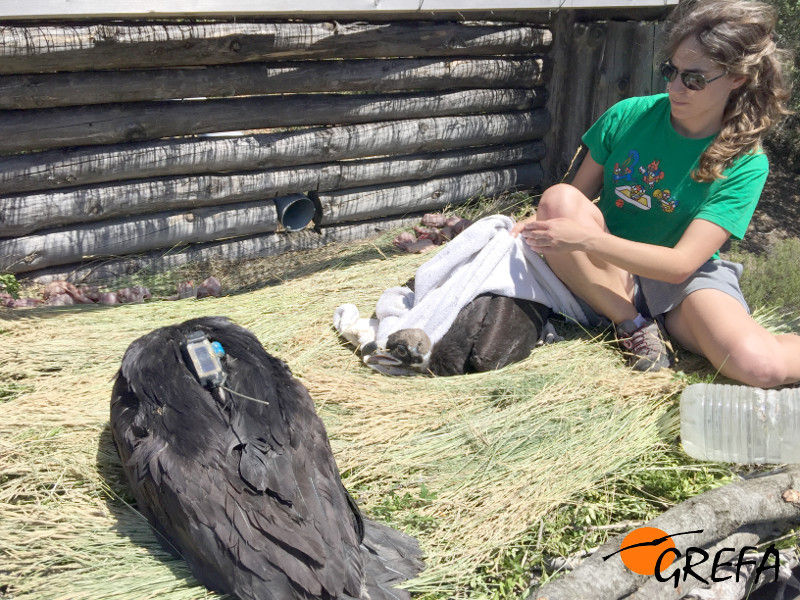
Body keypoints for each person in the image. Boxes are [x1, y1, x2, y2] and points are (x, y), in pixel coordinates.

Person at [511, 0, 798, 387]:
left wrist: (585, 239)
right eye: (671, 71)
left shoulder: (746, 162)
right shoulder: (629, 114)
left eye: (694, 79)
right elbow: (572, 201)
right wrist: (529, 226)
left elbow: (681, 264)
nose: (675, 87)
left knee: (759, 367)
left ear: (737, 79)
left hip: (682, 281)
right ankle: (631, 322)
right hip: (606, 269)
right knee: (558, 198)